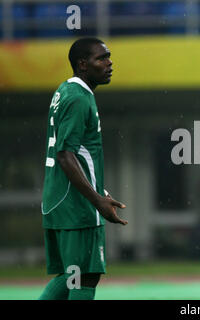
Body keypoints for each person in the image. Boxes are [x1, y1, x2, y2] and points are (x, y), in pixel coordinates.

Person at [39, 38, 128, 300]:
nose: (109, 63)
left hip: (61, 198)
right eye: (101, 58)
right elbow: (65, 156)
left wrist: (99, 189)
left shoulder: (65, 90)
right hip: (75, 204)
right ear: (83, 65)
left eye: (109, 56)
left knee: (73, 274)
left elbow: (74, 154)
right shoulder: (78, 98)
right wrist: (97, 200)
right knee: (84, 274)